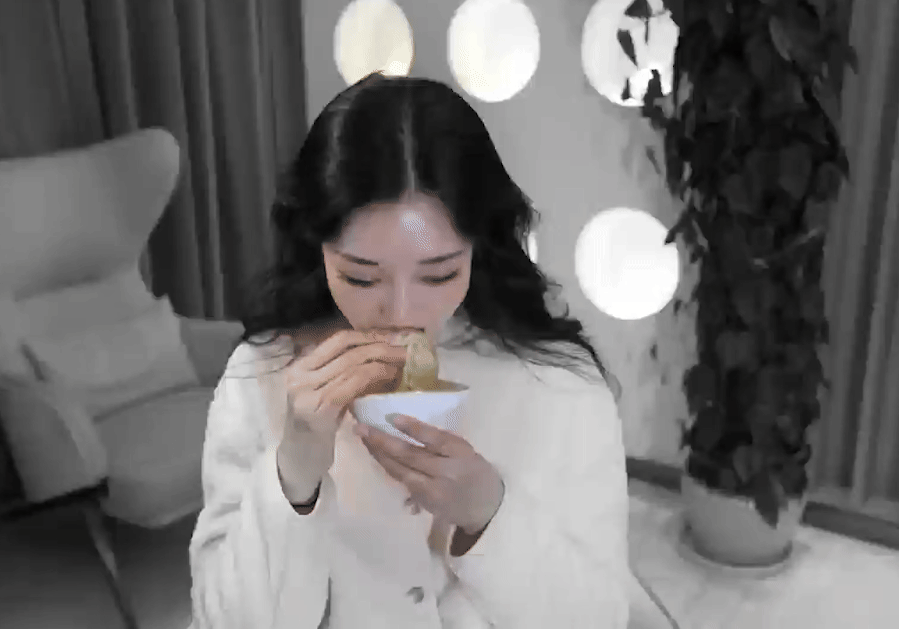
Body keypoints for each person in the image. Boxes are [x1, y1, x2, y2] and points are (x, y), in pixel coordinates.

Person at [188, 73, 631, 628]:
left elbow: (600, 617)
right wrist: (292, 473)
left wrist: (487, 514)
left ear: (480, 246)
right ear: (317, 250)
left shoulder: (559, 384)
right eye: (361, 277)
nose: (402, 313)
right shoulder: (261, 371)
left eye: (439, 274)